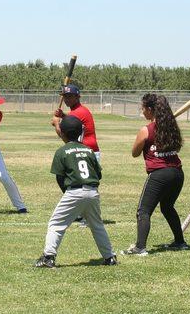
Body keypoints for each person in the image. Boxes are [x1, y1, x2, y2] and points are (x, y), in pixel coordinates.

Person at [35, 115, 117, 268]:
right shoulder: (88, 150)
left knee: (56, 224)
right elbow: (98, 174)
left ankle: (48, 257)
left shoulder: (62, 151)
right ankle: (110, 257)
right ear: (81, 132)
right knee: (97, 225)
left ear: (63, 133)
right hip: (92, 191)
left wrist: (68, 193)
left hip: (74, 191)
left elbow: (60, 177)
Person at [122, 93, 187, 255]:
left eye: (143, 108)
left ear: (150, 110)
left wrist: (146, 141)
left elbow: (134, 153)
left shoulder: (146, 130)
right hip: (177, 173)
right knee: (167, 207)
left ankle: (140, 247)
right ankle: (180, 241)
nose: (142, 111)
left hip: (159, 174)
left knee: (143, 211)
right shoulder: (172, 127)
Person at [52, 84, 100, 160]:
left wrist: (56, 123)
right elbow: (73, 119)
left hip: (85, 152)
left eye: (70, 96)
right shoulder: (81, 109)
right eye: (65, 96)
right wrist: (63, 115)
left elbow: (65, 137)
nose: (66, 99)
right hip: (89, 151)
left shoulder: (76, 113)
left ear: (78, 97)